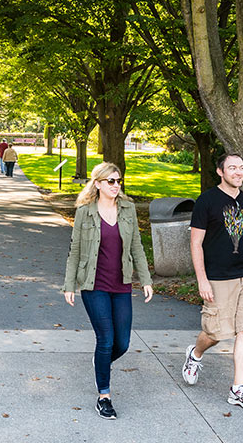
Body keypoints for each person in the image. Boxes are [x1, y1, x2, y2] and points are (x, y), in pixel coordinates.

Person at [62, 162, 153, 420]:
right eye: (111, 181)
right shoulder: (85, 212)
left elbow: (136, 246)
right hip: (94, 285)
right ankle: (104, 396)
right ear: (98, 183)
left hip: (121, 284)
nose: (116, 185)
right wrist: (70, 284)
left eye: (118, 180)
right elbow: (75, 251)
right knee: (106, 339)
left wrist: (145, 279)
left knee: (121, 343)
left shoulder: (128, 209)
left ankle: (100, 363)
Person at [182, 153, 243, 412]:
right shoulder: (207, 201)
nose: (238, 172)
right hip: (218, 278)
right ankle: (195, 355)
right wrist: (202, 280)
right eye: (232, 168)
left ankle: (238, 389)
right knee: (216, 333)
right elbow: (196, 243)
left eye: (241, 167)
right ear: (221, 171)